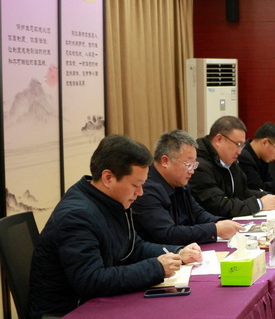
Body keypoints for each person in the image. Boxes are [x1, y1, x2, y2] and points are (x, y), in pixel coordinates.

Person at [29, 135, 202, 318]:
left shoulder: (110, 201)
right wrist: (156, 268)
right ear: (108, 178)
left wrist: (177, 252)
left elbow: (134, 247)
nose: (140, 193)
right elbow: (92, 281)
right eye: (135, 185)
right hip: (71, 312)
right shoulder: (77, 216)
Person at [132, 129, 243, 244]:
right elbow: (168, 234)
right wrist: (215, 230)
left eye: (194, 165)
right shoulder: (145, 190)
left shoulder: (179, 183)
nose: (192, 171)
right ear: (165, 161)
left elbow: (198, 213)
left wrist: (221, 222)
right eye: (189, 164)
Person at [188, 116, 275, 217]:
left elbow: (242, 192)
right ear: (219, 140)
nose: (239, 151)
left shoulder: (230, 162)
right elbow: (218, 206)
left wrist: (266, 196)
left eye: (242, 146)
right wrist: (259, 203)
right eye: (238, 144)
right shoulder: (199, 166)